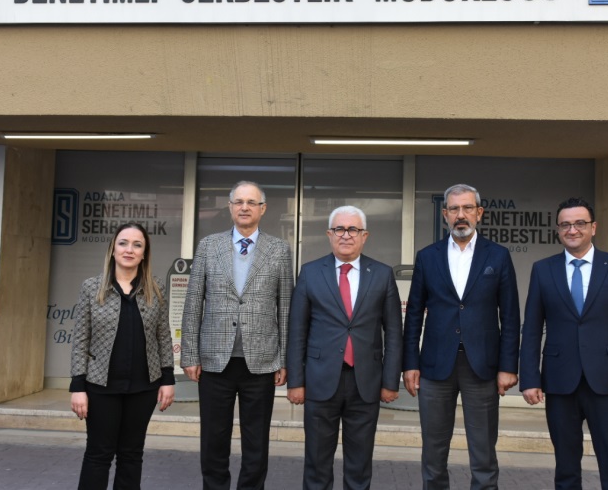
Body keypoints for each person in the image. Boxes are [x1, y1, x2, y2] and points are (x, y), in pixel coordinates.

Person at [519, 197, 608, 490]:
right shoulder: (543, 269)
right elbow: (532, 328)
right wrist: (530, 379)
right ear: (558, 230)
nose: (572, 230)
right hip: (560, 382)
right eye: (565, 225)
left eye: (579, 223)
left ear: (593, 227)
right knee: (565, 467)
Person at [402, 183, 521, 490]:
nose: (461, 215)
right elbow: (414, 314)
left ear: (479, 213)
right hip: (434, 366)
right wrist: (410, 363)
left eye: (467, 208)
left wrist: (508, 366)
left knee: (483, 455)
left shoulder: (498, 256)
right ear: (445, 214)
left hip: (482, 367)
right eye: (454, 209)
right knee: (433, 454)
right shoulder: (427, 257)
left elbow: (510, 316)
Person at [181, 180, 293, 490]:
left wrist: (284, 359)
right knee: (213, 439)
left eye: (251, 202)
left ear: (263, 209)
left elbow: (286, 307)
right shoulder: (208, 246)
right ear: (230, 208)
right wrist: (189, 354)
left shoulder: (279, 250)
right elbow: (193, 303)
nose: (245, 207)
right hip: (214, 361)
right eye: (239, 202)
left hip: (261, 362)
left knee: (256, 442)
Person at [287, 205, 403, 490]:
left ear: (365, 236)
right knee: (317, 464)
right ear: (329, 234)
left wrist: (390, 381)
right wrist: (296, 381)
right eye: (339, 229)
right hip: (319, 380)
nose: (346, 235)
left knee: (359, 466)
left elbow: (393, 332)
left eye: (353, 229)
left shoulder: (382, 274)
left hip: (365, 383)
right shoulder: (310, 272)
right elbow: (297, 331)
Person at [70, 221, 175, 490]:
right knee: (98, 453)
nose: (129, 250)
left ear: (144, 253)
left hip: (144, 387)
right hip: (100, 386)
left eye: (137, 245)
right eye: (123, 243)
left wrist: (167, 379)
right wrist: (78, 387)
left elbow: (163, 336)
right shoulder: (91, 287)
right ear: (113, 249)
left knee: (131, 454)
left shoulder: (156, 289)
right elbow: (80, 339)